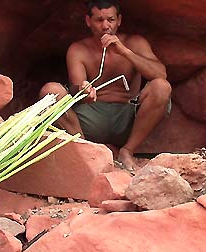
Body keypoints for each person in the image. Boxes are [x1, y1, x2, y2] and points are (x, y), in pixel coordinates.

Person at [39, 0, 171, 170]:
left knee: (162, 87)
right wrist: (84, 90)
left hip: (127, 116)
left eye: (111, 20)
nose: (106, 26)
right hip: (91, 117)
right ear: (88, 21)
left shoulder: (135, 42)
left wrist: (125, 51)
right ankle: (84, 151)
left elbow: (160, 74)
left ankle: (127, 151)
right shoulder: (78, 49)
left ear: (119, 20)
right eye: (99, 20)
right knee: (50, 91)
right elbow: (76, 89)